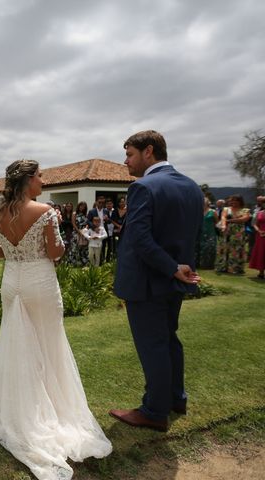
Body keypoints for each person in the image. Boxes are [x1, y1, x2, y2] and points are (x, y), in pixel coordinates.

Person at [0, 159, 112, 478]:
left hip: (12, 283)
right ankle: (47, 412)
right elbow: (56, 253)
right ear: (27, 180)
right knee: (48, 343)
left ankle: (18, 409)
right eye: (40, 176)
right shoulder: (45, 212)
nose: (43, 180)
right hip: (39, 282)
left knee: (15, 345)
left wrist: (13, 251)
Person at [111, 130, 203, 433]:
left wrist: (170, 267)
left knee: (153, 346)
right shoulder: (192, 187)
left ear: (148, 151)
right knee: (169, 340)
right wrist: (182, 269)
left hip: (148, 282)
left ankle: (154, 410)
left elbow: (139, 238)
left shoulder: (143, 187)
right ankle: (177, 398)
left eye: (129, 154)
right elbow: (191, 234)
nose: (126, 161)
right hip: (174, 280)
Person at [215, 194, 251, 274]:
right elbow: (223, 217)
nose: (233, 202)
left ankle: (235, 268)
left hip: (238, 233)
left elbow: (244, 219)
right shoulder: (226, 209)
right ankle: (222, 267)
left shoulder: (245, 210)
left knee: (236, 249)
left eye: (235, 200)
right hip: (226, 231)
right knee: (224, 248)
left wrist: (230, 221)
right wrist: (224, 225)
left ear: (240, 201)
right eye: (232, 200)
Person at [197, 198, 218, 269]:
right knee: (198, 247)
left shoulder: (213, 211)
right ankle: (198, 263)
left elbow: (217, 222)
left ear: (208, 203)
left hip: (210, 232)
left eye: (204, 201)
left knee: (209, 247)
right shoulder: (197, 211)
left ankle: (208, 264)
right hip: (199, 231)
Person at [68, 201, 89, 266]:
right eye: (81, 206)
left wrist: (85, 229)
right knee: (74, 247)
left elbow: (87, 223)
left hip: (84, 233)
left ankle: (83, 262)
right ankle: (72, 262)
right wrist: (79, 231)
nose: (82, 207)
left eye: (84, 206)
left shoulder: (85, 214)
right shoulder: (74, 213)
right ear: (78, 206)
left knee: (83, 247)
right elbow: (73, 224)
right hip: (76, 232)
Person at [249, 195, 265, 279]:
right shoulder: (260, 213)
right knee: (261, 252)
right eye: (263, 202)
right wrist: (259, 231)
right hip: (260, 235)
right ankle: (261, 272)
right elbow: (254, 224)